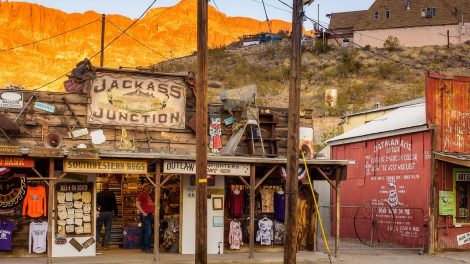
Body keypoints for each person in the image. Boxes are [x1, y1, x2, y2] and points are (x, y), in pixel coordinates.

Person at [96, 183, 118, 249]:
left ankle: (97, 244)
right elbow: (115, 205)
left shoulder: (98, 194)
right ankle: (106, 245)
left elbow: (96, 204)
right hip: (109, 213)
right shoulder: (112, 194)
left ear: (102, 187)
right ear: (108, 186)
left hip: (101, 213)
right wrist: (116, 214)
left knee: (98, 229)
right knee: (108, 229)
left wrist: (97, 211)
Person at [136, 183, 155, 253]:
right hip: (146, 215)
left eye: (150, 188)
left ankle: (143, 247)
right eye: (148, 188)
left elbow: (150, 205)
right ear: (144, 188)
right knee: (148, 232)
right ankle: (147, 248)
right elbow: (137, 204)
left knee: (145, 231)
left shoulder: (148, 196)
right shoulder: (141, 195)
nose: (149, 189)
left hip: (149, 215)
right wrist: (143, 213)